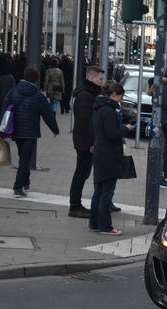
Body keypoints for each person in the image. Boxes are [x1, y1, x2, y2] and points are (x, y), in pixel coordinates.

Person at [2, 67, 59, 197]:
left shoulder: (13, 91)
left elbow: (4, 109)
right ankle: (18, 187)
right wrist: (55, 129)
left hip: (15, 130)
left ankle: (25, 180)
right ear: (36, 80)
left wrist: (0, 127)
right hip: (30, 132)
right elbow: (48, 114)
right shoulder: (38, 96)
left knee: (23, 157)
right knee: (25, 159)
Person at [89, 81, 135, 235]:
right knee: (106, 192)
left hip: (100, 151)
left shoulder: (98, 107)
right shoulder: (109, 111)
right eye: (121, 97)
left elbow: (95, 129)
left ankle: (94, 223)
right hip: (109, 153)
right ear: (114, 95)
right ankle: (105, 226)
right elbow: (112, 133)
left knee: (99, 190)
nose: (121, 100)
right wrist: (125, 129)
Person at [69, 65, 105, 218]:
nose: (102, 82)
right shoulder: (86, 95)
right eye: (100, 79)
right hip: (85, 141)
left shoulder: (89, 93)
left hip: (84, 139)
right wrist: (92, 142)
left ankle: (76, 205)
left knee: (82, 173)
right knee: (81, 173)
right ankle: (75, 206)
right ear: (91, 78)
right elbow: (85, 121)